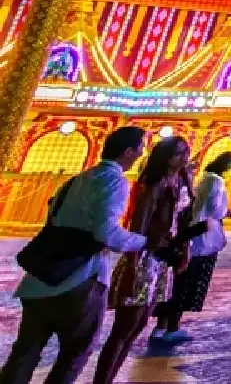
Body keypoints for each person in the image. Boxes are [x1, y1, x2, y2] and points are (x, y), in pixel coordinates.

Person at [0, 126, 151, 384]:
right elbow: (106, 232)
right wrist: (145, 242)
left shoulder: (78, 179)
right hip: (80, 277)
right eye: (141, 147)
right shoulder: (115, 181)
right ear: (128, 151)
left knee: (25, 350)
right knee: (75, 352)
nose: (142, 152)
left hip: (43, 275)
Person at [92, 136, 192, 384]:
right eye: (178, 153)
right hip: (144, 256)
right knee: (124, 327)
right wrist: (132, 264)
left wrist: (184, 248)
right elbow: (139, 226)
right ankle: (102, 379)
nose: (184, 158)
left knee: (139, 325)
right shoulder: (154, 184)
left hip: (163, 258)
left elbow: (181, 220)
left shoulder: (182, 181)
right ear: (165, 156)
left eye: (186, 152)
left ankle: (109, 377)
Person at [149, 152, 231, 347]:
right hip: (198, 237)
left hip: (183, 236)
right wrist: (227, 212)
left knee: (173, 284)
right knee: (185, 285)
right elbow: (215, 209)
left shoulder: (201, 179)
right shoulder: (215, 181)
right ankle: (172, 328)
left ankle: (160, 327)